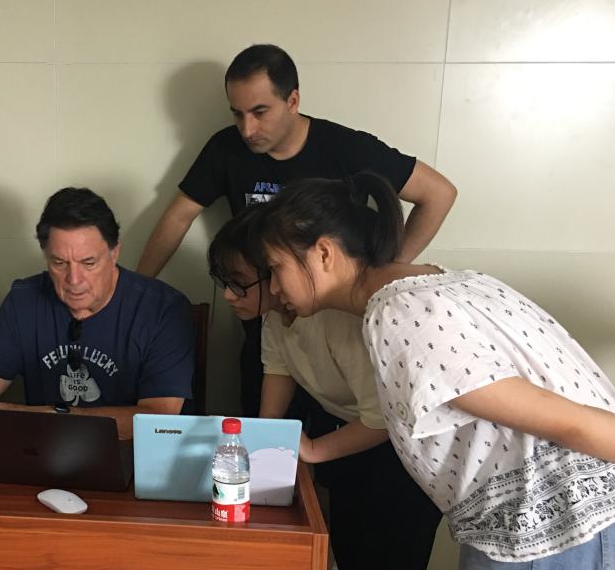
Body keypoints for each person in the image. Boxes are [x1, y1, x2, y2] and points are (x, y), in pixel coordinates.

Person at [252, 173, 615, 570]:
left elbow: (569, 421)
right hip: (565, 527)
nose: (272, 289)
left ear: (324, 253)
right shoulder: (451, 282)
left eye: (276, 269)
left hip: (545, 535)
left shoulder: (398, 315)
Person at [137, 43, 457, 416]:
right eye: (238, 114)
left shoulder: (344, 147)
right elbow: (177, 217)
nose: (247, 130)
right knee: (262, 433)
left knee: (348, 428)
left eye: (260, 112)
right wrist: (138, 292)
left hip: (338, 332)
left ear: (292, 100)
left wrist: (385, 275)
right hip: (267, 324)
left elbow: (438, 193)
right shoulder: (225, 149)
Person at [208, 208, 442, 570]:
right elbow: (277, 379)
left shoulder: (339, 320)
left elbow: (383, 417)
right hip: (351, 436)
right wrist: (262, 445)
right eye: (223, 282)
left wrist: (311, 450)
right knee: (350, 556)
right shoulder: (276, 320)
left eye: (239, 283)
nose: (229, 295)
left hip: (402, 451)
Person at [0, 187, 195, 479]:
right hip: (44, 463)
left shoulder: (163, 309)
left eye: (89, 262)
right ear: (45, 255)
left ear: (114, 252)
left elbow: (158, 419)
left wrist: (43, 415)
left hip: (136, 466)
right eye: (59, 263)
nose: (74, 280)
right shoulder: (26, 299)